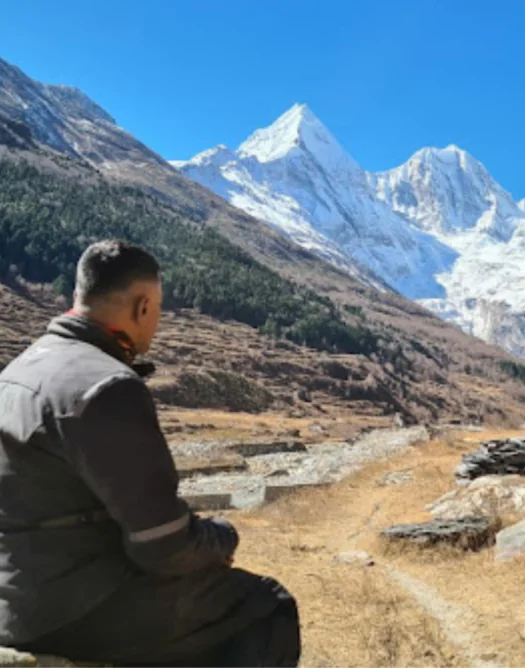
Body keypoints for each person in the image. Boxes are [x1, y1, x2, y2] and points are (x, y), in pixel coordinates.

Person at [0, 240, 300, 666]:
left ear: (78, 295)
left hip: (17, 598)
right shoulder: (107, 387)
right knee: (266, 604)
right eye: (158, 309)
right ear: (143, 307)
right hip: (76, 605)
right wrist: (221, 537)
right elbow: (162, 547)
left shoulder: (18, 370)